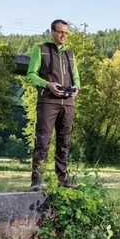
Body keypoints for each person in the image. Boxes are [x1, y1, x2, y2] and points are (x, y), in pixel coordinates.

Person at [26, 19, 81, 191]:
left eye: (66, 33)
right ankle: (37, 181)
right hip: (48, 102)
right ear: (52, 32)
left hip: (68, 103)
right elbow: (31, 75)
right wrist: (48, 85)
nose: (64, 35)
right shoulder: (41, 49)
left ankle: (62, 180)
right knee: (43, 141)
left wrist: (77, 87)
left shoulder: (70, 54)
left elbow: (76, 77)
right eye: (60, 32)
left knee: (64, 142)